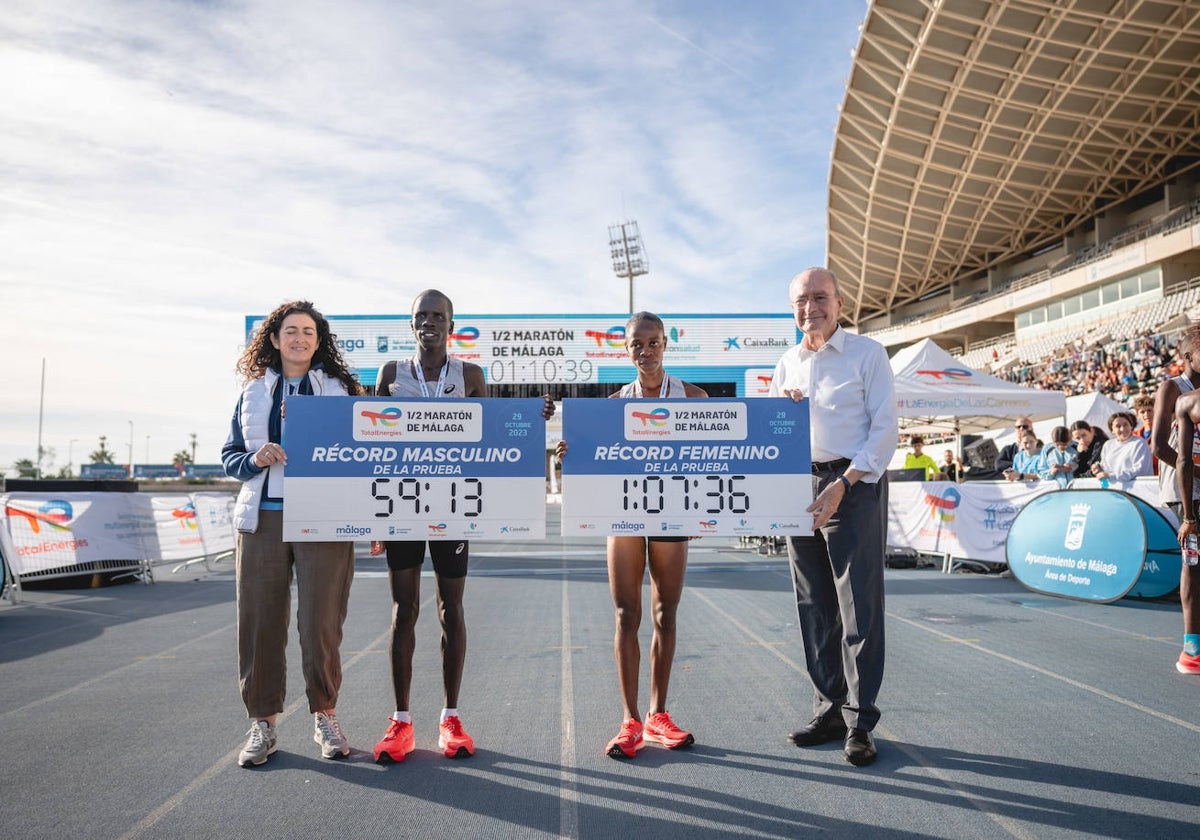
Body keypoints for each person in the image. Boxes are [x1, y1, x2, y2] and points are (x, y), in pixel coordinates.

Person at [369, 289, 554, 763]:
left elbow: (490, 433)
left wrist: (534, 419)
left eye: (438, 316)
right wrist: (373, 516)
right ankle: (401, 721)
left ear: (452, 325)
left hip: (453, 505)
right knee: (403, 610)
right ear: (411, 324)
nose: (428, 322)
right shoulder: (390, 374)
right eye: (421, 315)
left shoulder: (469, 375)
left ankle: (451, 716)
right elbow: (367, 444)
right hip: (403, 506)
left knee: (451, 609)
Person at [556, 311, 706, 759]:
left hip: (671, 515)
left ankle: (658, 713)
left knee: (665, 613)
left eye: (653, 342)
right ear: (626, 349)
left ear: (666, 343)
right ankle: (630, 719)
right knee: (626, 615)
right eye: (636, 344)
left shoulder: (693, 396)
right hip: (622, 514)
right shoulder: (612, 403)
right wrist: (572, 455)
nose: (645, 350)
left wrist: (697, 509)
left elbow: (713, 453)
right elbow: (596, 459)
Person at [221, 300, 363, 768]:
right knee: (261, 623)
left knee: (320, 623)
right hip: (263, 519)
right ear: (275, 339)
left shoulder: (341, 391)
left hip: (323, 518)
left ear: (318, 341)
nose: (298, 338)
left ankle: (325, 714)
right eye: (290, 331)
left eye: (307, 331)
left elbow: (367, 454)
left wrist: (371, 520)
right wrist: (254, 460)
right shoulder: (253, 393)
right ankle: (262, 722)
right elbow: (229, 457)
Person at [768, 268, 897, 768]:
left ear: (841, 303)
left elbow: (885, 431)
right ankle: (827, 709)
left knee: (858, 608)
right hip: (799, 488)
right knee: (815, 605)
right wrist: (782, 414)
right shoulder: (786, 364)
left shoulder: (869, 355)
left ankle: (860, 720)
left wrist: (843, 485)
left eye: (820, 298)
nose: (810, 308)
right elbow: (775, 434)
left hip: (855, 486)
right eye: (801, 300)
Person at [1154, 323, 1200, 675]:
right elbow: (1158, 446)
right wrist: (1197, 472)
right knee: (1193, 560)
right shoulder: (1173, 387)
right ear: (1187, 356)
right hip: (1181, 483)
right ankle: (1191, 645)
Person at [1171, 390, 1200, 676]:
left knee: (1192, 566)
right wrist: (1189, 516)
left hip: (1192, 503)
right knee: (1192, 565)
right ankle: (1192, 649)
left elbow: (1184, 461)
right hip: (1192, 502)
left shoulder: (1188, 400)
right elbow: (1182, 461)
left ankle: (1192, 650)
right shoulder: (1185, 398)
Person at [1091, 411, 1153, 483]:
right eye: (1118, 426)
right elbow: (1106, 468)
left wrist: (1113, 476)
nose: (1122, 429)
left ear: (1131, 426)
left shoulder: (1139, 443)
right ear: (1112, 430)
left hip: (1137, 489)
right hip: (1115, 488)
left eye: (1125, 424)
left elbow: (1140, 469)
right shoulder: (1108, 445)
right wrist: (1098, 469)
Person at [1132, 393, 1158, 474]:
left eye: (1149, 410)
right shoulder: (1134, 435)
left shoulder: (1166, 432)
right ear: (1137, 415)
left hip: (1159, 476)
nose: (1146, 414)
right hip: (1141, 478)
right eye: (1142, 412)